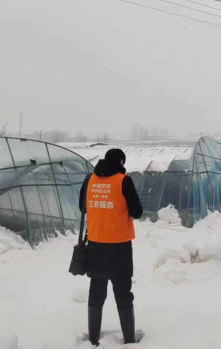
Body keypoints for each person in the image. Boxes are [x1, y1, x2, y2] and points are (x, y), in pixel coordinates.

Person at [79, 148, 143, 346]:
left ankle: (93, 339)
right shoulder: (124, 181)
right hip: (119, 247)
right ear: (121, 162)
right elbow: (138, 212)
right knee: (123, 291)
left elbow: (83, 208)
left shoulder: (89, 179)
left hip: (96, 245)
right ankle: (130, 340)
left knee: (97, 290)